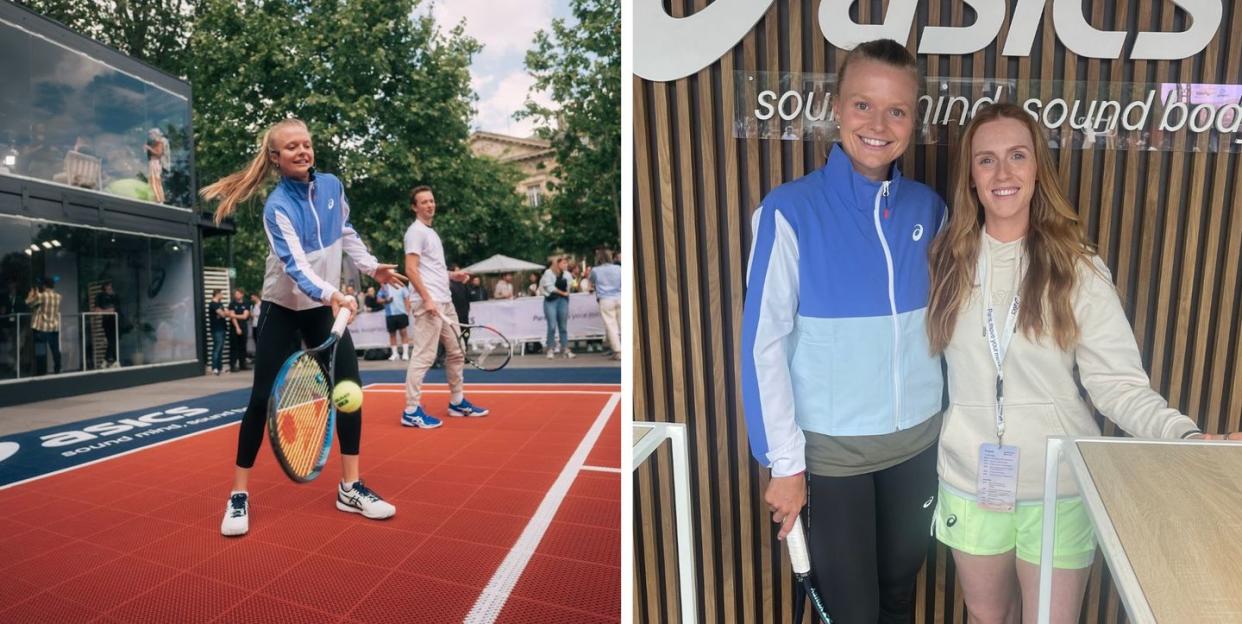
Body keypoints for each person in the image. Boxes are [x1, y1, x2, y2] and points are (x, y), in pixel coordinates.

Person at [925, 102, 1241, 624]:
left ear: (1036, 171)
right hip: (969, 480)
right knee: (985, 618)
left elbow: (1118, 387)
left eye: (1017, 156)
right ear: (971, 179)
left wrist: (1184, 439)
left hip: (1057, 486)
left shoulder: (1076, 267)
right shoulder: (945, 263)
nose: (1003, 173)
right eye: (986, 161)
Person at [740, 39, 946, 623]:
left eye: (897, 110)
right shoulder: (789, 211)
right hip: (833, 461)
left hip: (917, 450)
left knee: (899, 598)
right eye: (863, 105)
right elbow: (764, 349)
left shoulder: (930, 209)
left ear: (914, 119)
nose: (879, 124)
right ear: (836, 107)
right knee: (852, 613)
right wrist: (785, 465)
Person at [200, 117, 408, 537]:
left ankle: (349, 487)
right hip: (284, 307)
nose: (302, 151)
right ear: (276, 158)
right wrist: (333, 294)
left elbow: (346, 232)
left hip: (324, 306)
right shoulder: (277, 207)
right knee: (261, 400)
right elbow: (294, 267)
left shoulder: (332, 186)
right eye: (292, 147)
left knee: (349, 391)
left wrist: (371, 268)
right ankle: (239, 493)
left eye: (306, 144)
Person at [401, 185, 490, 428]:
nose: (430, 205)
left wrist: (454, 275)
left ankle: (457, 402)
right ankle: (410, 410)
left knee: (457, 351)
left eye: (431, 200)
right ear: (414, 207)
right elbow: (410, 269)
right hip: (429, 303)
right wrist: (427, 298)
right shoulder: (415, 232)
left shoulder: (431, 233)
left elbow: (432, 270)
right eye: (424, 202)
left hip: (444, 300)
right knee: (425, 355)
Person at [25, 276, 63, 375]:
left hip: (41, 328)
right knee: (55, 349)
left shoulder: (42, 296)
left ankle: (41, 372)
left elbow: (29, 304)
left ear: (44, 285)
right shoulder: (58, 296)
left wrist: (31, 295)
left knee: (40, 350)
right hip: (54, 327)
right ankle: (58, 369)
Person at [539, 256, 574, 359]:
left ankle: (565, 348)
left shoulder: (567, 274)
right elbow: (549, 287)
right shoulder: (548, 273)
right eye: (563, 263)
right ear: (557, 264)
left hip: (563, 301)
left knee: (563, 326)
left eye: (566, 263)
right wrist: (562, 292)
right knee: (552, 326)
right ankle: (550, 348)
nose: (566, 265)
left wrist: (565, 292)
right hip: (551, 301)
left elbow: (569, 286)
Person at [592, 249, 622, 360]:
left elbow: (592, 281)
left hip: (605, 299)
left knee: (611, 326)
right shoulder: (618, 268)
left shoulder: (595, 270)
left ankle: (618, 351)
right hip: (619, 297)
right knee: (622, 324)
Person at [378, 281, 412, 361]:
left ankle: (405, 353)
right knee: (392, 334)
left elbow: (407, 298)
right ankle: (395, 354)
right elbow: (379, 299)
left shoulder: (401, 286)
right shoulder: (384, 287)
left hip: (401, 313)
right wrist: (386, 300)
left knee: (403, 333)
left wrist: (407, 311)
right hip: (390, 314)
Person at [93, 281, 120, 368]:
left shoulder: (115, 296)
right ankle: (112, 361)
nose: (110, 289)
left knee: (114, 341)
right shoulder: (100, 295)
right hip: (107, 321)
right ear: (105, 287)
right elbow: (97, 310)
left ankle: (109, 361)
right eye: (108, 287)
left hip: (116, 320)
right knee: (111, 341)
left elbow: (115, 308)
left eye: (111, 287)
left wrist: (109, 311)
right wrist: (107, 311)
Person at [226, 288, 251, 372]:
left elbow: (245, 316)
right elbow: (232, 318)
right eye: (235, 294)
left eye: (238, 294)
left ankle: (242, 364)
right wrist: (237, 327)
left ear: (242, 294)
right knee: (234, 347)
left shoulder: (246, 303)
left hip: (244, 327)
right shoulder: (232, 304)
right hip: (235, 328)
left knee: (243, 346)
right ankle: (233, 365)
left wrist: (234, 315)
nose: (236, 295)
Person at [144, 128, 169, 204]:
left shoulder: (159, 143)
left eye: (151, 134)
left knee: (155, 180)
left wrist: (149, 148)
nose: (150, 136)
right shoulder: (155, 143)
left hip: (155, 162)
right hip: (152, 162)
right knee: (151, 180)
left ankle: (159, 199)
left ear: (155, 134)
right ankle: (154, 198)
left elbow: (159, 153)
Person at [207, 289, 227, 375]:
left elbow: (226, 312)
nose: (222, 295)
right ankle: (214, 368)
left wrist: (223, 313)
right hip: (216, 329)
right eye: (221, 294)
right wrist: (223, 313)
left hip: (222, 328)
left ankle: (220, 368)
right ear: (217, 294)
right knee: (217, 348)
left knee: (221, 348)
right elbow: (223, 314)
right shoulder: (213, 304)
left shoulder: (220, 304)